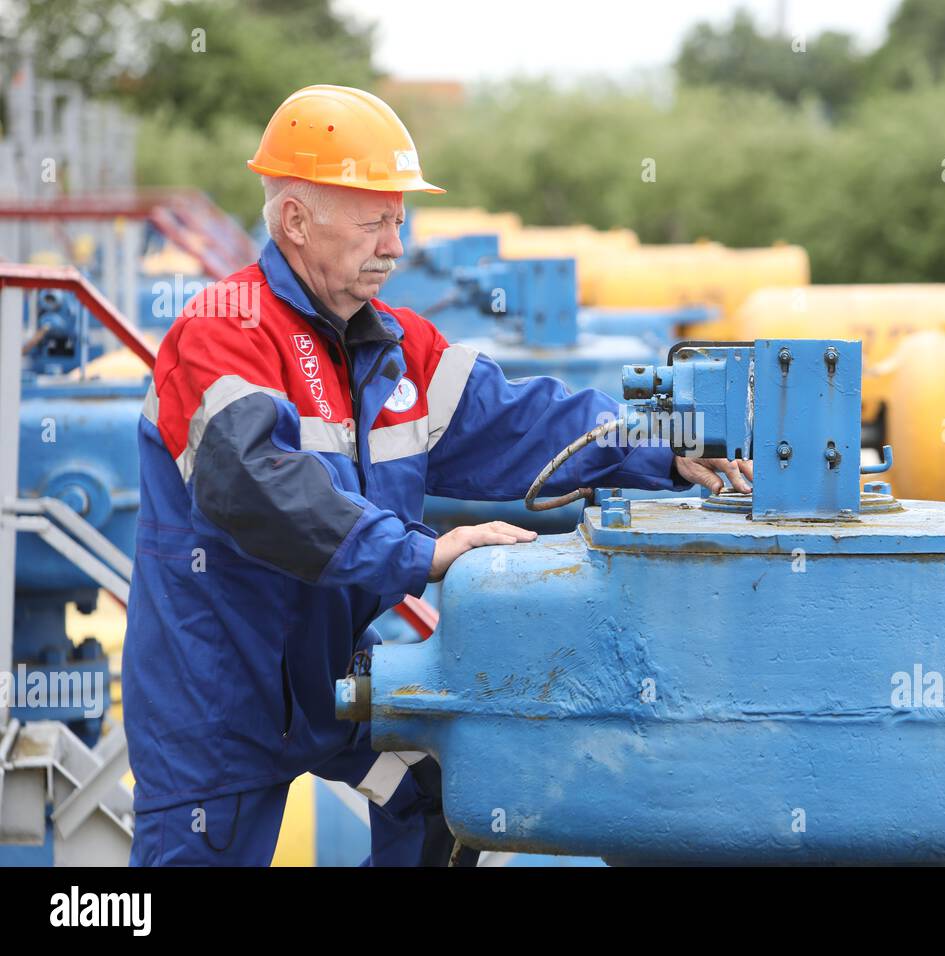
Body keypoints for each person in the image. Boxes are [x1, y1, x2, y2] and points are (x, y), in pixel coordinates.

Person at [122, 85, 752, 866]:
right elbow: (260, 491)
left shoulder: (397, 348)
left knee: (439, 790)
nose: (395, 242)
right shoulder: (220, 334)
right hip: (213, 698)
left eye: (399, 217)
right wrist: (422, 553)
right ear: (294, 220)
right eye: (374, 218)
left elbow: (525, 421)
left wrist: (663, 446)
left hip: (330, 687)